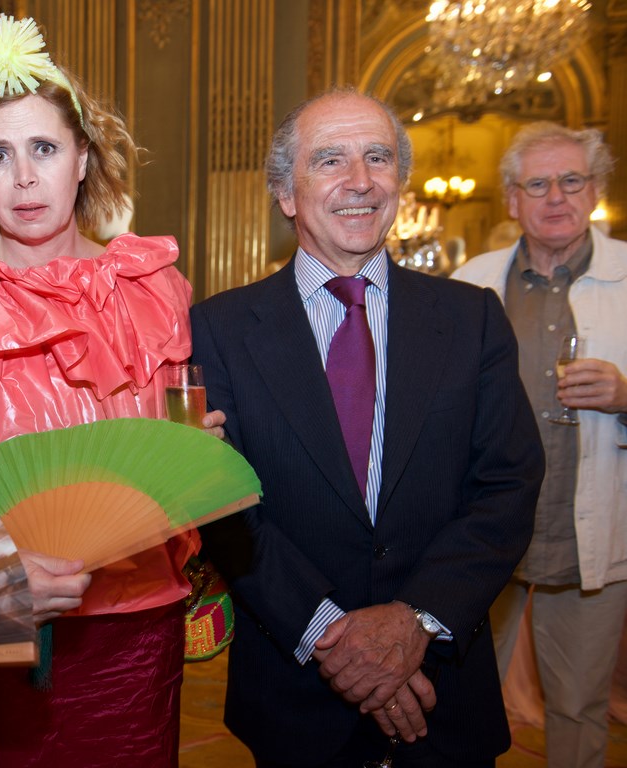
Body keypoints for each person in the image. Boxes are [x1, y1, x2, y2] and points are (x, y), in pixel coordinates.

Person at [0, 14, 222, 766]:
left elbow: (174, 462)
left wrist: (196, 466)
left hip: (136, 636)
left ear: (83, 159)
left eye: (44, 149)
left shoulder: (150, 289)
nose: (24, 177)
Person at [190, 89, 545, 767]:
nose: (359, 180)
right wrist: (334, 638)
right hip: (295, 698)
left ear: (398, 185)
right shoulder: (218, 329)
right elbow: (224, 506)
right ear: (285, 195)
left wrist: (414, 622)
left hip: (442, 690)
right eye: (329, 160)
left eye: (376, 157)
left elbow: (507, 485)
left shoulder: (471, 319)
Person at [452, 122, 627, 768]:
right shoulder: (469, 282)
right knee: (460, 697)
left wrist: (624, 395)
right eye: (537, 183)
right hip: (482, 528)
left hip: (588, 530)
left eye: (571, 180)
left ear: (595, 191)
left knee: (578, 707)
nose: (555, 196)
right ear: (510, 200)